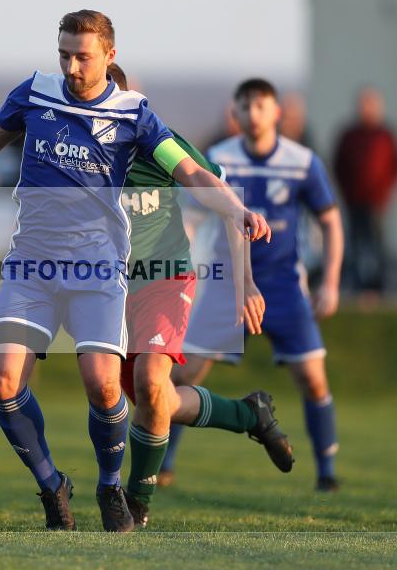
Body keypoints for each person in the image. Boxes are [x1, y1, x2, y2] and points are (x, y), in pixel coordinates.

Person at [0, 10, 269, 532]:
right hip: (33, 263)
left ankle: (112, 485)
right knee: (4, 380)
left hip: (97, 266)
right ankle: (52, 487)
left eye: (83, 56)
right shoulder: (35, 92)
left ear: (109, 56)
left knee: (103, 383)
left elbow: (190, 173)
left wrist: (237, 210)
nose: (71, 66)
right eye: (64, 54)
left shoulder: (134, 114)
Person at [107, 64, 293, 529]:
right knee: (161, 402)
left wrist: (244, 282)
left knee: (152, 382)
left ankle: (136, 504)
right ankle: (249, 414)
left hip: (165, 276)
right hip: (110, 289)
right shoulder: (77, 153)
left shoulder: (158, 142)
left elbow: (223, 200)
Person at [163, 78, 345, 493]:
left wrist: (330, 281)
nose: (253, 114)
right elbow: (192, 211)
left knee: (313, 379)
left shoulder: (301, 162)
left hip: (282, 287)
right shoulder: (220, 158)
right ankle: (166, 465)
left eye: (261, 106)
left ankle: (327, 473)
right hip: (226, 285)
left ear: (277, 112)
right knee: (183, 373)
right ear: (235, 113)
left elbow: (331, 222)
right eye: (244, 106)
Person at [332, 86, 397, 292]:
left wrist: (385, 193)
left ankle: (378, 290)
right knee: (354, 248)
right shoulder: (349, 136)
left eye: (371, 105)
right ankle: (356, 289)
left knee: (378, 248)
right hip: (354, 202)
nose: (367, 109)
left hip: (378, 204)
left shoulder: (386, 136)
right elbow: (339, 166)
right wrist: (347, 192)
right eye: (364, 105)